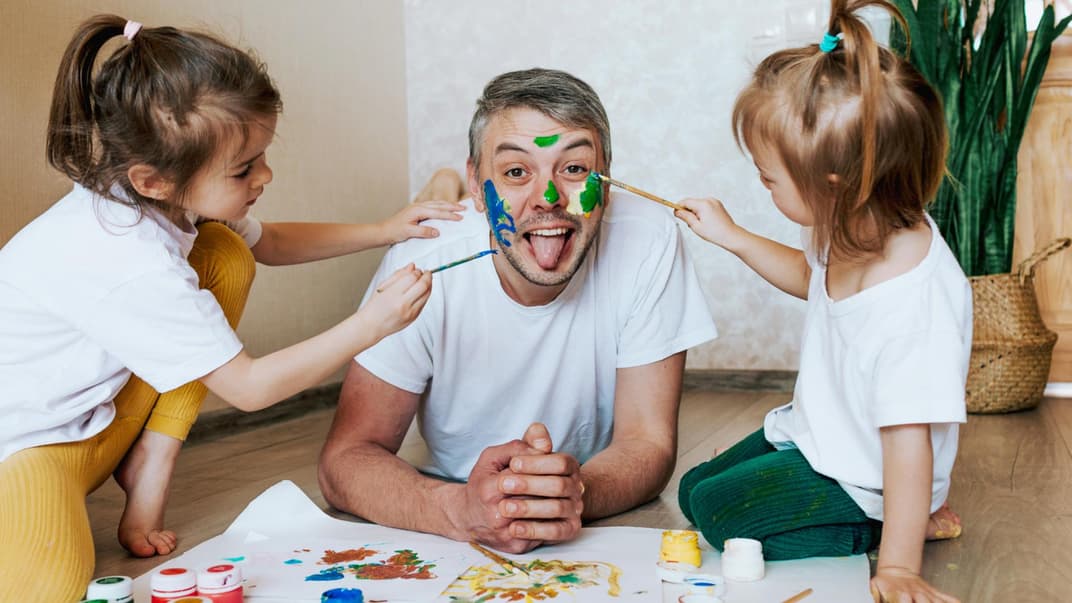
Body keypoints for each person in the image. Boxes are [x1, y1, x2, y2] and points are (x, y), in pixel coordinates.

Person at [0, 15, 461, 601]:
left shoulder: (165, 198)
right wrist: (371, 324)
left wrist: (383, 229)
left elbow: (267, 244)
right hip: (26, 452)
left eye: (262, 154)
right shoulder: (126, 258)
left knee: (226, 252)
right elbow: (247, 389)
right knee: (46, 589)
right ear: (152, 179)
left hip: (96, 422)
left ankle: (148, 467)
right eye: (245, 168)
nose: (265, 175)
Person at [318, 68, 718, 554]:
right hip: (453, 481)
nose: (547, 199)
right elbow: (346, 458)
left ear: (607, 181)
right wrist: (457, 508)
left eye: (573, 170)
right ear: (475, 185)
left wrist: (570, 495)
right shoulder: (420, 261)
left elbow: (648, 443)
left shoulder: (651, 239)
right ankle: (437, 189)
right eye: (515, 172)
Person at [673, 1, 968, 601]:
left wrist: (899, 568)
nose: (763, 185)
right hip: (820, 439)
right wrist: (731, 237)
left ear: (833, 185)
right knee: (696, 487)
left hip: (870, 480)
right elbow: (816, 285)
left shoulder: (914, 309)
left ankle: (888, 529)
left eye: (768, 178)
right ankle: (900, 519)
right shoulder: (853, 226)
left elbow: (907, 446)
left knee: (716, 513)